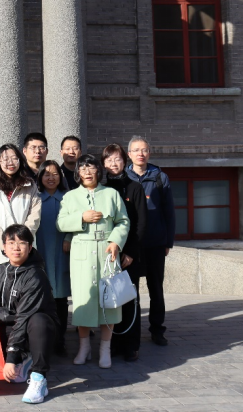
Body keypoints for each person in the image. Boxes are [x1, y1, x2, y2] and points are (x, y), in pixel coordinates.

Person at [57, 154, 130, 369]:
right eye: (83, 168)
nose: (87, 172)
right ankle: (84, 346)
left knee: (110, 301)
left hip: (107, 252)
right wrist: (81, 218)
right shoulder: (70, 196)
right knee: (82, 301)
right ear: (77, 172)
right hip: (82, 250)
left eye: (91, 168)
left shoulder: (111, 194)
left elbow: (123, 221)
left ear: (98, 170)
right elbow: (60, 223)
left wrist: (116, 241)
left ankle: (105, 348)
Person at [0, 225, 58, 405]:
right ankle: (23, 357)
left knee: (38, 320)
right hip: (10, 329)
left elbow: (23, 318)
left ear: (31, 246)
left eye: (22, 243)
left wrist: (11, 358)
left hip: (32, 329)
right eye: (11, 243)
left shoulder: (35, 276)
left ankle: (38, 377)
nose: (16, 248)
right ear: (3, 247)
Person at [126, 136, 175, 347]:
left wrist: (168, 242)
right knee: (131, 289)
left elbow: (169, 212)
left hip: (155, 242)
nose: (140, 153)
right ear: (129, 154)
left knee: (156, 288)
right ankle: (131, 329)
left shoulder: (159, 177)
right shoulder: (123, 177)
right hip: (132, 244)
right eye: (136, 150)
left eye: (144, 150)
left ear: (149, 153)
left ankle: (157, 329)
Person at [102, 143, 147, 362]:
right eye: (109, 160)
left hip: (128, 256)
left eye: (117, 159)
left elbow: (140, 225)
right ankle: (111, 344)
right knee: (109, 300)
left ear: (125, 161)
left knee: (129, 299)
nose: (113, 164)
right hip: (106, 256)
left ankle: (131, 345)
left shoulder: (134, 188)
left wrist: (130, 252)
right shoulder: (100, 189)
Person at [0, 144, 42, 264]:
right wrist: (5, 244)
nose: (10, 162)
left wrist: (21, 242)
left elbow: (35, 216)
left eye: (14, 158)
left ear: (20, 160)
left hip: (24, 251)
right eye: (5, 159)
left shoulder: (30, 186)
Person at [34, 161, 71, 357]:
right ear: (40, 177)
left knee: (61, 300)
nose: (50, 177)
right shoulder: (35, 199)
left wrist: (68, 238)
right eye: (46, 174)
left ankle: (60, 340)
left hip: (63, 254)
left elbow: (76, 222)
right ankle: (44, 340)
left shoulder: (68, 198)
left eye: (55, 173)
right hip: (41, 253)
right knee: (43, 299)